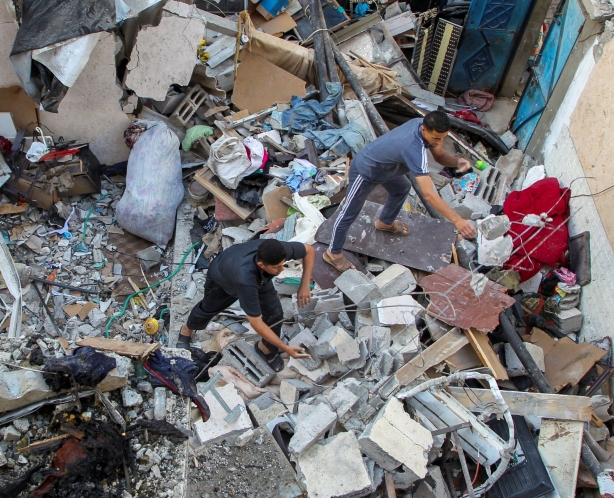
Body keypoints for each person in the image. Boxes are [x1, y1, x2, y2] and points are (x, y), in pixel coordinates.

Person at [323, 111, 477, 272]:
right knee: (349, 213)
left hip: (387, 169)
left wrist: (457, 161)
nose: (440, 142)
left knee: (402, 187)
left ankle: (385, 222)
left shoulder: (424, 125)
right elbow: (429, 194)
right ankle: (332, 253)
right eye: (436, 138)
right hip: (366, 171)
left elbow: (439, 157)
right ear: (424, 130)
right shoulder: (413, 148)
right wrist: (457, 220)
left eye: (443, 137)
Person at [178, 238, 314, 370]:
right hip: (223, 275)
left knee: (275, 314)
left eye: (282, 264)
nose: (281, 270)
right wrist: (286, 348)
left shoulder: (278, 251)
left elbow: (309, 250)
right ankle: (186, 329)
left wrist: (305, 285)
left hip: (257, 276)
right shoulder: (245, 280)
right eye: (276, 267)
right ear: (261, 265)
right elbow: (256, 322)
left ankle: (265, 348)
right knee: (209, 307)